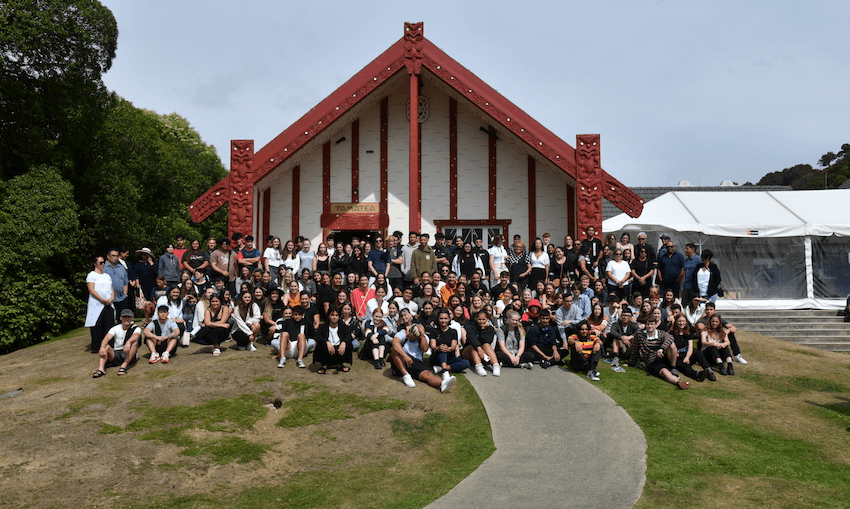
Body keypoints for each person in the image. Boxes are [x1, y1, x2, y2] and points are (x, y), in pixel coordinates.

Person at [390, 311, 457, 393]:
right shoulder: (403, 333)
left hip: (416, 362)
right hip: (402, 359)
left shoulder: (423, 337)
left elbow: (425, 349)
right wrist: (405, 356)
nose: (415, 337)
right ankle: (405, 375)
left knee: (427, 375)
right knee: (394, 350)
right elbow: (395, 343)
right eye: (413, 334)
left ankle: (442, 384)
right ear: (410, 332)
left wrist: (422, 336)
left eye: (417, 335)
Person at [630, 316, 690, 389]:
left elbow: (670, 338)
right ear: (645, 325)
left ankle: (677, 369)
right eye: (648, 324)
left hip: (663, 356)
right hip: (652, 360)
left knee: (672, 344)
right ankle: (678, 382)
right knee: (664, 372)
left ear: (655, 325)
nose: (650, 326)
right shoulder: (640, 334)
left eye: (652, 324)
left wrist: (661, 349)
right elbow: (635, 349)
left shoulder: (660, 333)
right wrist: (632, 362)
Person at [92, 309, 140, 378]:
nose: (127, 319)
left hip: (128, 353)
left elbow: (136, 335)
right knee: (106, 346)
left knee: (134, 343)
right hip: (116, 353)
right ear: (121, 318)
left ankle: (123, 366)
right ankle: (101, 369)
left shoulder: (136, 328)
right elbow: (106, 338)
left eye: (129, 317)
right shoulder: (115, 328)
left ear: (132, 318)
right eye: (125, 317)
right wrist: (102, 347)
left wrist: (128, 342)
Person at [428, 309, 471, 377]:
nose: (443, 321)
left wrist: (448, 349)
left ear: (449, 319)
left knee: (466, 363)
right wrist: (438, 348)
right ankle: (445, 373)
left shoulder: (453, 331)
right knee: (442, 349)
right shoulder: (434, 331)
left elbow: (453, 346)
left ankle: (441, 368)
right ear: (438, 319)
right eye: (441, 318)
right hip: (436, 357)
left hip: (449, 357)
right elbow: (433, 345)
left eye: (445, 318)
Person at [85, 255, 115, 353]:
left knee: (109, 325)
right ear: (95, 264)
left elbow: (111, 288)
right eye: (100, 263)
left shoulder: (107, 276)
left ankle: (109, 345)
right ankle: (97, 346)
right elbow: (91, 290)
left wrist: (111, 298)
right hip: (97, 304)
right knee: (97, 325)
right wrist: (102, 299)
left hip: (108, 304)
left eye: (103, 262)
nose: (103, 264)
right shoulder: (92, 275)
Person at [670, 314, 712, 382]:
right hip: (677, 357)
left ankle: (708, 370)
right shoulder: (672, 334)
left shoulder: (688, 333)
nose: (681, 323)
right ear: (676, 322)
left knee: (698, 353)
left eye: (683, 321)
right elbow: (673, 349)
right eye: (679, 321)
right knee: (685, 367)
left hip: (687, 355)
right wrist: (682, 357)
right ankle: (697, 375)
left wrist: (687, 357)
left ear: (686, 322)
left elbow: (690, 347)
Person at [313, 307, 352, 373]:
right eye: (332, 315)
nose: (334, 317)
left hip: (339, 351)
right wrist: (327, 342)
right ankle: (324, 366)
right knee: (320, 344)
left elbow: (349, 336)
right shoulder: (323, 327)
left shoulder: (343, 326)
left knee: (348, 344)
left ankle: (340, 364)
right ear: (328, 316)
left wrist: (344, 342)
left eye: (336, 315)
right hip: (327, 351)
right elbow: (317, 336)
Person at [104, 248, 130, 319]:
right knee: (110, 321)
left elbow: (125, 282)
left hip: (122, 299)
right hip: (108, 299)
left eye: (117, 256)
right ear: (108, 256)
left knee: (122, 320)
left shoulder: (121, 268)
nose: (115, 258)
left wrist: (125, 295)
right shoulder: (103, 268)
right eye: (113, 255)